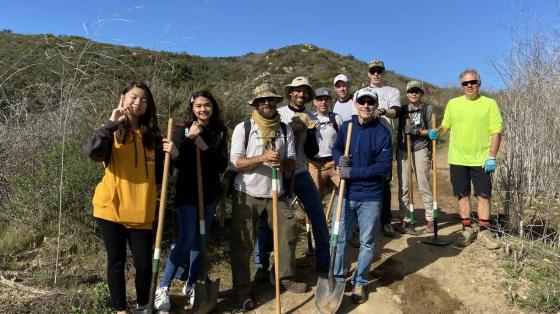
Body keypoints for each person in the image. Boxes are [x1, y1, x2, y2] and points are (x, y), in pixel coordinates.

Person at [84, 81, 166, 314]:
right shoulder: (111, 131)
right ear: (123, 98)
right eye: (133, 97)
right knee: (116, 263)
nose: (138, 103)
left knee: (143, 265)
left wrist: (174, 154)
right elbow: (91, 151)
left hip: (142, 210)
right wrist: (111, 123)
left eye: (144, 99)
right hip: (111, 208)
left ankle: (142, 306)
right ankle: (121, 310)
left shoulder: (153, 137)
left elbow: (159, 175)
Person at [230, 83, 305, 310]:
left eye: (271, 100)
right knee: (243, 243)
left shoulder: (285, 130)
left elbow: (292, 162)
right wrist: (262, 158)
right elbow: (236, 162)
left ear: (276, 102)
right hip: (247, 193)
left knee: (288, 232)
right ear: (255, 104)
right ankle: (242, 291)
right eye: (262, 100)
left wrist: (281, 163)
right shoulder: (243, 128)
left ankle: (284, 277)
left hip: (276, 192)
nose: (267, 104)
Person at [154, 91, 228, 311]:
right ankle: (163, 287)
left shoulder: (220, 132)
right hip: (187, 193)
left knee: (200, 240)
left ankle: (191, 284)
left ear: (212, 107)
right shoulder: (181, 129)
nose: (202, 110)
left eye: (206, 105)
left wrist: (201, 142)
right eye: (198, 106)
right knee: (186, 238)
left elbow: (221, 164)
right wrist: (188, 138)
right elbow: (178, 160)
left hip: (209, 193)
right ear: (192, 109)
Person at [331, 87, 392, 304]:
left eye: (370, 102)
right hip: (345, 195)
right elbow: (337, 148)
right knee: (339, 240)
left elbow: (382, 167)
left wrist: (352, 172)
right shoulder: (347, 127)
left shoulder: (383, 132)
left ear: (375, 106)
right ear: (355, 104)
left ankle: (360, 283)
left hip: (371, 197)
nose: (366, 105)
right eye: (362, 101)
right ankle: (337, 279)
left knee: (366, 243)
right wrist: (340, 159)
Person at [430, 69, 502, 249]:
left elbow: (496, 132)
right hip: (458, 158)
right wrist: (436, 132)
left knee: (484, 195)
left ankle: (485, 231)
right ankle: (467, 228)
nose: (469, 86)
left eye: (473, 82)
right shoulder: (453, 104)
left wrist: (492, 156)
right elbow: (445, 126)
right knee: (462, 195)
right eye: (465, 83)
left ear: (479, 83)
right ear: (461, 86)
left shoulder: (489, 104)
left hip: (481, 160)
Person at [277, 76, 331, 272]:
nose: (301, 94)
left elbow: (312, 152)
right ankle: (262, 266)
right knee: (271, 221)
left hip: (300, 172)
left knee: (317, 214)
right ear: (291, 92)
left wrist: (308, 131)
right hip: (279, 174)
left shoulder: (313, 117)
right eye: (297, 90)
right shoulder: (278, 113)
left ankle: (324, 261)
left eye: (305, 91)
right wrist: (289, 129)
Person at [395, 80, 435, 234]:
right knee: (404, 186)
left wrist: (417, 132)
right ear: (406, 93)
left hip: (421, 149)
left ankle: (431, 218)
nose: (413, 94)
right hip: (403, 150)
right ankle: (405, 219)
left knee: (423, 184)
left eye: (416, 91)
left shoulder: (427, 108)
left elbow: (433, 131)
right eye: (411, 91)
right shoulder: (403, 110)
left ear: (421, 93)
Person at [367, 59, 401, 237]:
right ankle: (366, 220)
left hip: (385, 140)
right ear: (369, 74)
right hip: (366, 140)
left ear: (383, 73)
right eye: (373, 71)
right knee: (365, 179)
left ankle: (386, 221)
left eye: (379, 71)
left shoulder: (392, 91)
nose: (376, 74)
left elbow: (395, 111)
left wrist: (383, 111)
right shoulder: (362, 92)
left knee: (384, 181)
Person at [308, 87, 343, 202]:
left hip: (334, 163)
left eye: (326, 99)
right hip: (315, 165)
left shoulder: (336, 118)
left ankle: (341, 218)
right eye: (319, 99)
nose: (323, 102)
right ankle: (311, 220)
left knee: (347, 190)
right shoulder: (309, 118)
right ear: (314, 102)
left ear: (330, 102)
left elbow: (342, 141)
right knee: (314, 198)